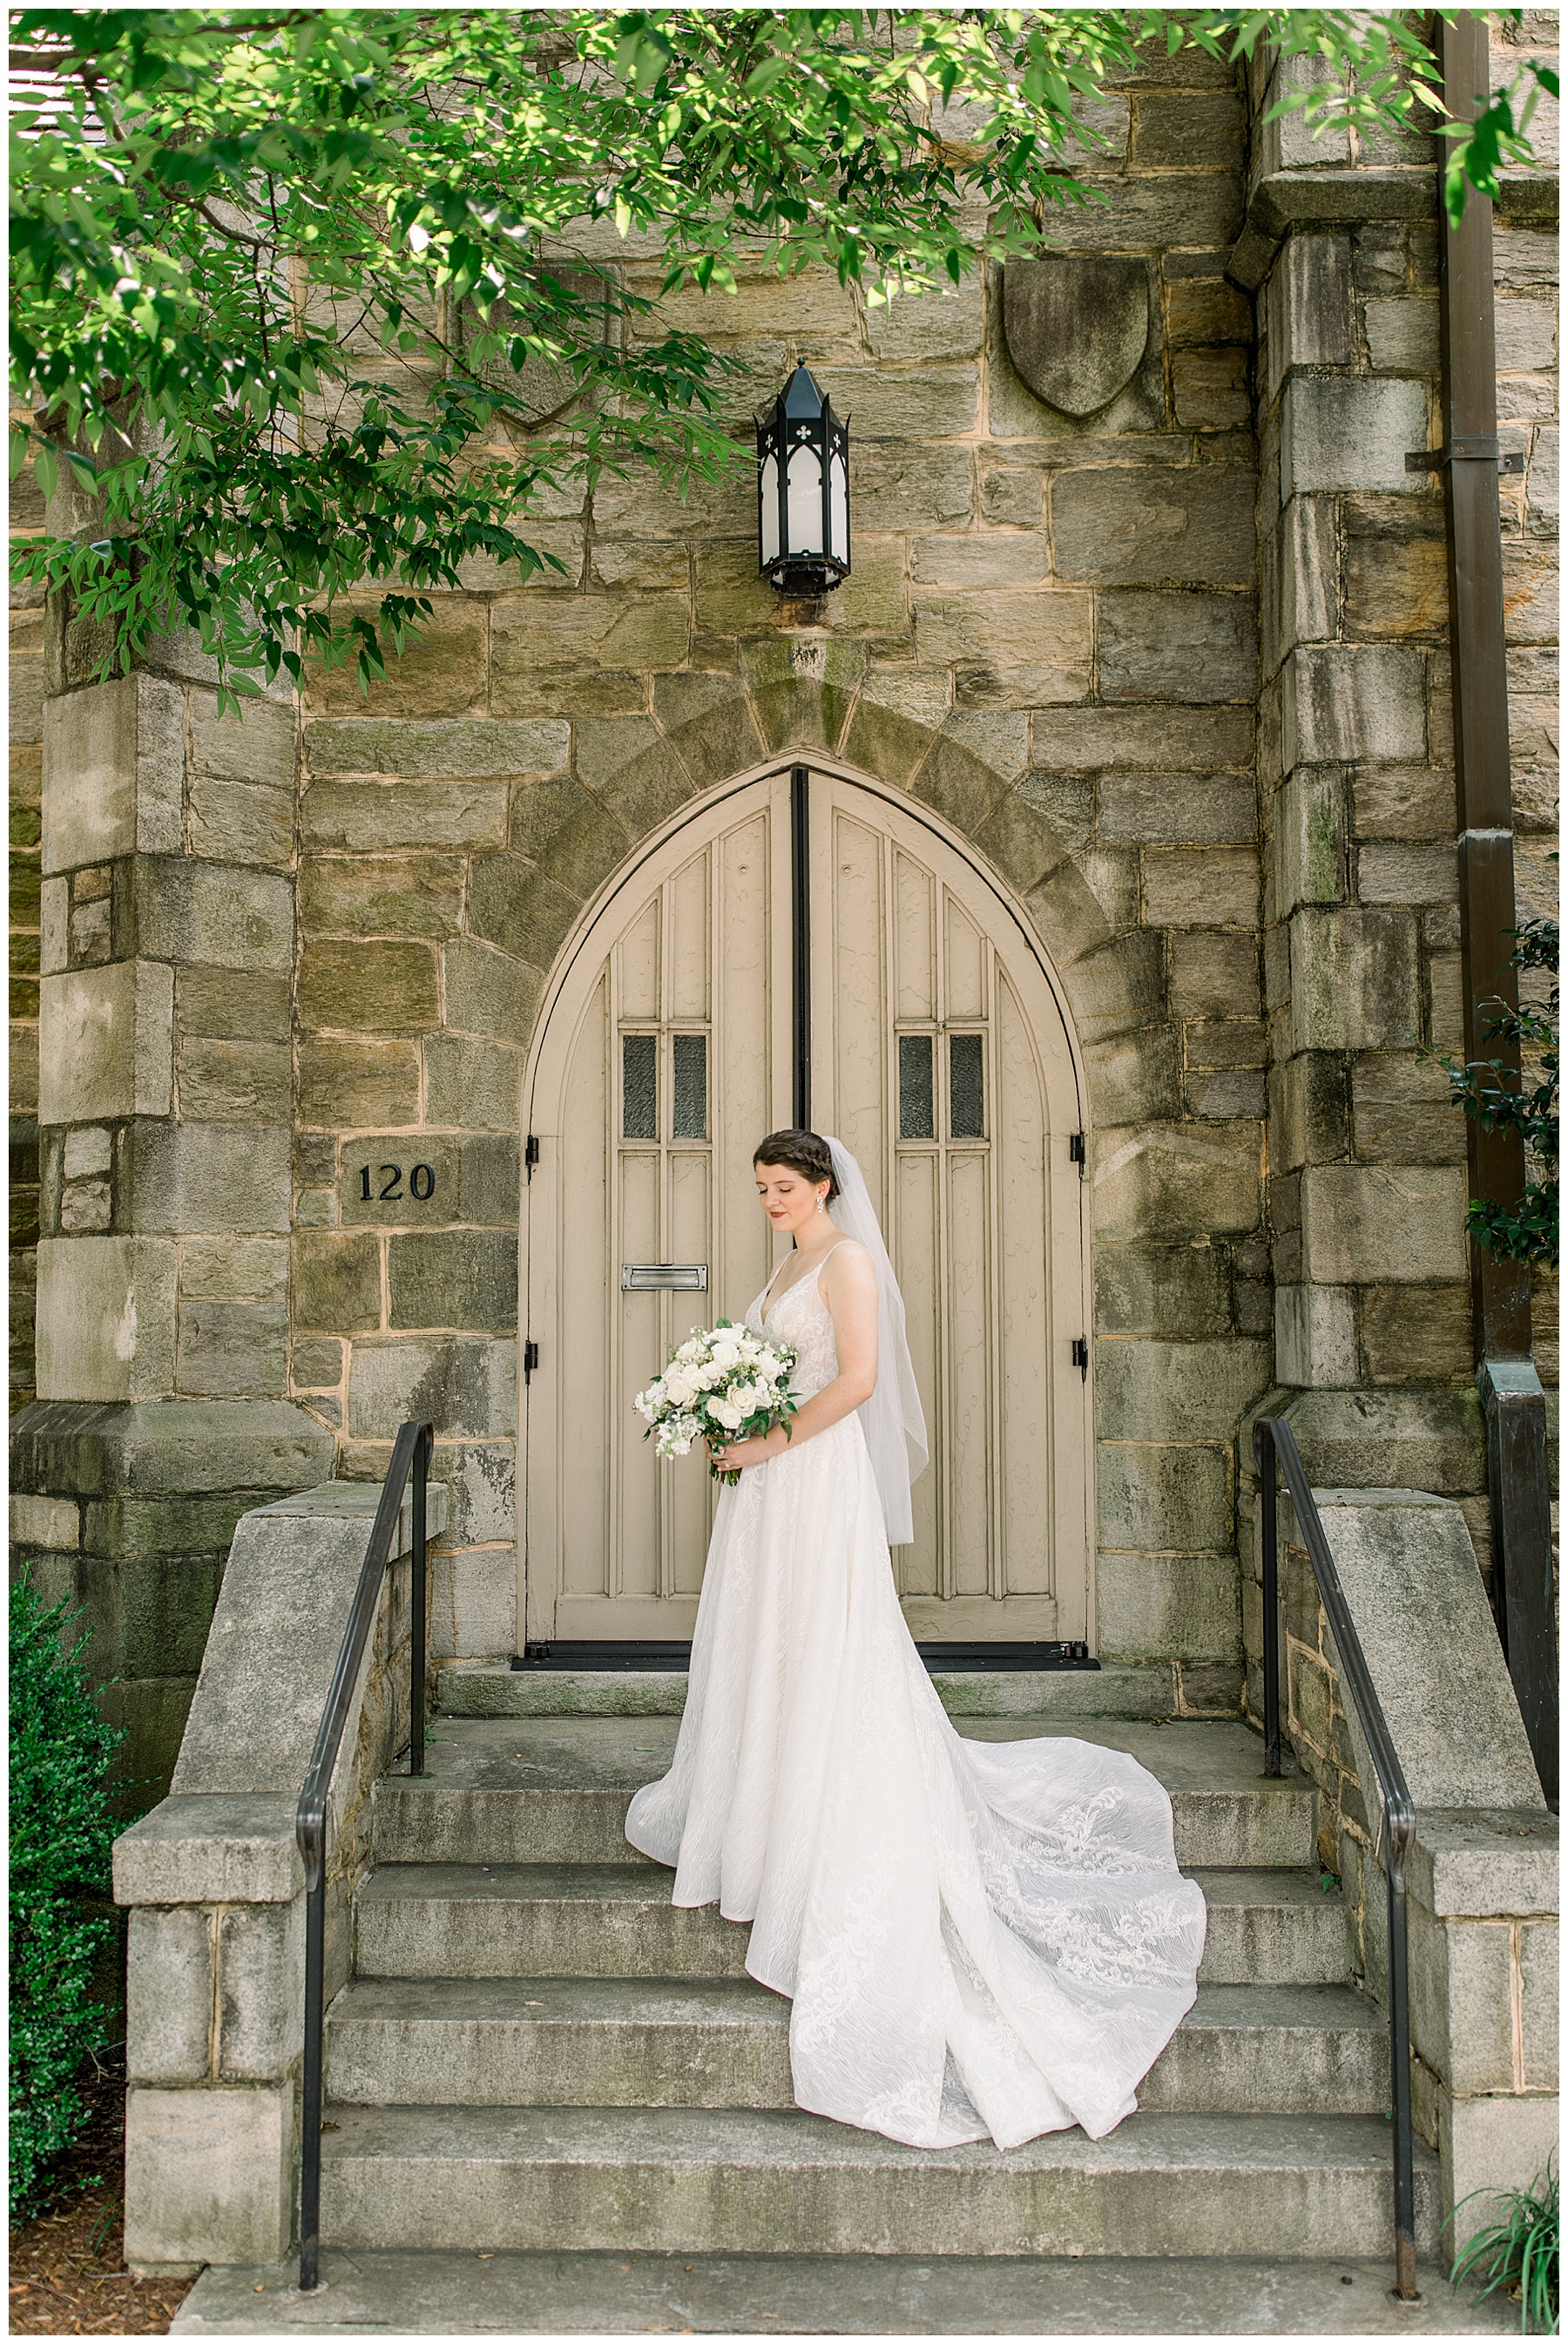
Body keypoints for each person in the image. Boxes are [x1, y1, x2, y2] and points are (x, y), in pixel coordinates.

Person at [625, 1128, 1207, 2151]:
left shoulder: (846, 1260)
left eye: (784, 1185)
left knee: (829, 1643)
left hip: (813, 1474)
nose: (770, 1198)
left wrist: (763, 1436)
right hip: (768, 1485)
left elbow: (854, 1380)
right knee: (771, 1645)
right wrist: (724, 1407)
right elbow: (772, 1362)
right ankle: (754, 1802)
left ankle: (816, 1810)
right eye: (761, 1186)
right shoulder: (787, 1259)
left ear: (823, 1185)